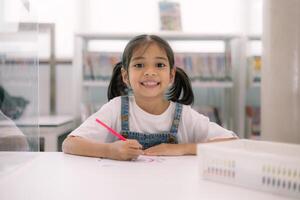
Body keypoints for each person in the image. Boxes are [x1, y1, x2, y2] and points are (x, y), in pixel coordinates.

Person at [63, 34, 237, 160]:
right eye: (139, 65)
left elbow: (232, 143)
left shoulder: (184, 115)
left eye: (159, 65)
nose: (150, 72)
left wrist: (181, 149)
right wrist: (110, 150)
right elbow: (69, 144)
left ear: (171, 75)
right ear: (125, 76)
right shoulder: (115, 108)